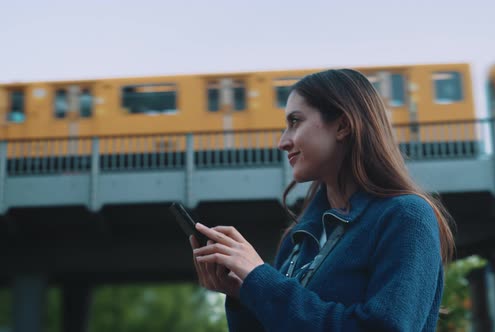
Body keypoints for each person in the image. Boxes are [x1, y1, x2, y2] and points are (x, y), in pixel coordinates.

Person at [190, 68, 455, 331]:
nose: (283, 142)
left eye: (295, 121)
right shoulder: (299, 238)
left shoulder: (406, 217)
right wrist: (243, 296)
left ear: (342, 125)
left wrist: (263, 280)